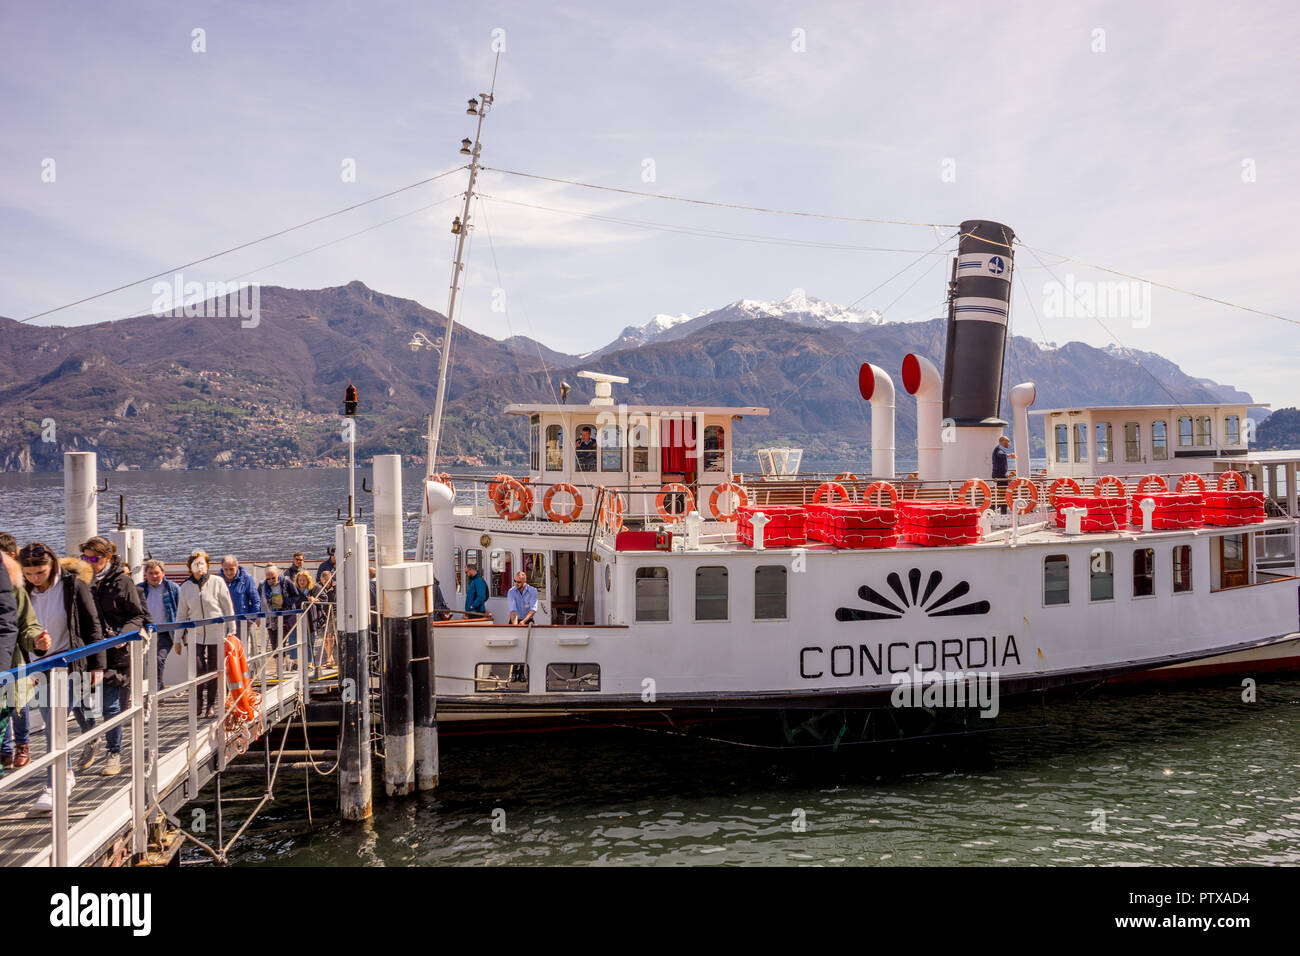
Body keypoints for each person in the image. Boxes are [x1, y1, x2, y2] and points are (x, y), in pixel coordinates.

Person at [18, 542, 105, 810]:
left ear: (52, 565)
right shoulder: (21, 589)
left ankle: (57, 783)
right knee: (49, 718)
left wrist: (97, 665)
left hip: (68, 660)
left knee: (56, 717)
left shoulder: (72, 586)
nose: (35, 579)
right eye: (29, 574)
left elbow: (92, 623)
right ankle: (65, 774)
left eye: (40, 573)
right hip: (37, 664)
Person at [82, 537, 151, 777]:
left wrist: (124, 635)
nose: (90, 563)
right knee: (80, 702)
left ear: (107, 558)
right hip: (88, 651)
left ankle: (114, 752)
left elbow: (137, 615)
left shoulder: (123, 582)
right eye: (86, 558)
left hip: (114, 652)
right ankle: (91, 737)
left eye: (95, 558)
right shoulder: (83, 581)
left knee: (110, 705)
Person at [176, 550, 235, 720]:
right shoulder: (186, 587)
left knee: (213, 670)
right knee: (197, 668)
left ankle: (210, 705)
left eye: (202, 564)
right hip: (196, 635)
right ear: (190, 567)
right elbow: (181, 614)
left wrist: (232, 630)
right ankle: (197, 702)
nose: (200, 567)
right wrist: (177, 639)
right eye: (196, 564)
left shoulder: (217, 582)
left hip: (216, 633)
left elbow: (227, 607)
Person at [0, 533, 41, 771]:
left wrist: (36, 639)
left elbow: (27, 623)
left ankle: (22, 745)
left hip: (14, 655)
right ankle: (5, 752)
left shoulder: (16, 588)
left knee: (17, 703)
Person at [138, 559, 179, 693]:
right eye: (151, 573)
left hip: (166, 631)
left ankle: (156, 691)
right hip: (146, 632)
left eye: (157, 573)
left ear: (163, 573)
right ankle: (154, 689)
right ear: (146, 575)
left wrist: (182, 634)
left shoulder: (172, 588)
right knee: (146, 662)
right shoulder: (139, 589)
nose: (154, 576)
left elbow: (182, 609)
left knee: (158, 659)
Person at [259, 564, 300, 656]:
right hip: (270, 619)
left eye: (273, 578)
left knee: (281, 643)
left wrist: (284, 602)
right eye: (268, 579)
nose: (270, 581)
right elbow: (258, 600)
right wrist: (258, 615)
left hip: (285, 618)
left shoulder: (287, 582)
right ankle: (278, 667)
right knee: (274, 645)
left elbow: (296, 596)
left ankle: (281, 665)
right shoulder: (262, 585)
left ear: (277, 574)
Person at [992, 435, 1012, 514]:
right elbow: (1000, 455)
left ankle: (1000, 510)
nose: (1009, 443)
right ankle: (996, 509)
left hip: (1001, 475)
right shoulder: (999, 449)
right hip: (1000, 476)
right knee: (1004, 494)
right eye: (1008, 441)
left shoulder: (999, 449)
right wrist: (1009, 455)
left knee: (1003, 494)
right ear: (1003, 441)